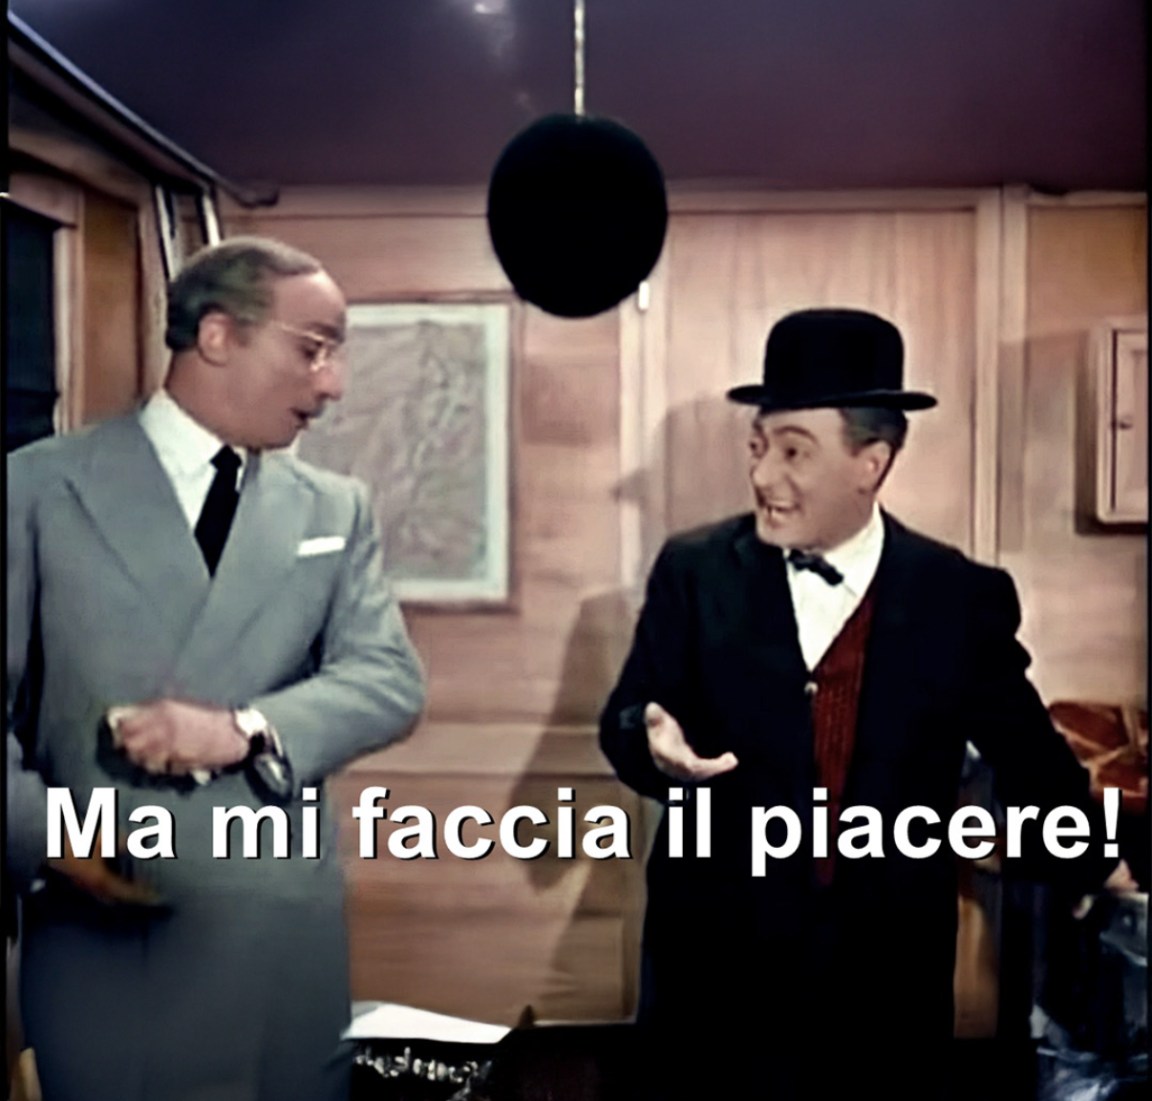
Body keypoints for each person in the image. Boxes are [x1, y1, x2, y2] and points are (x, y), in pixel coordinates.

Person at [599, 308, 1132, 1100]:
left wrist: (1102, 867)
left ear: (870, 461)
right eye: (758, 446)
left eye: (793, 451)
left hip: (884, 973)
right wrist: (649, 740)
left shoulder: (955, 595)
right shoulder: (694, 571)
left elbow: (1027, 751)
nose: (763, 476)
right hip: (716, 961)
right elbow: (626, 720)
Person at [6, 236, 426, 1101]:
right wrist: (55, 836)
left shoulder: (334, 509)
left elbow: (389, 677)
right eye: (313, 349)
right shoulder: (36, 490)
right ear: (218, 335)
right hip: (111, 944)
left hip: (284, 947)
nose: (333, 384)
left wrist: (242, 729)